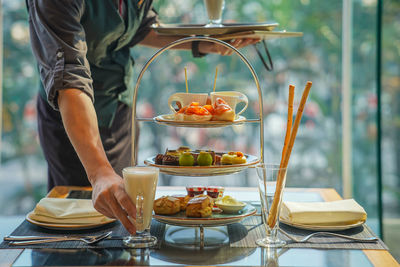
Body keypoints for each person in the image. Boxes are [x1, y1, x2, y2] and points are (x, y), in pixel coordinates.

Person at [27, 0, 260, 234]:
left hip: (119, 109)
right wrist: (99, 172)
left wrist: (207, 41)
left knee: (120, 218)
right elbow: (69, 76)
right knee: (78, 223)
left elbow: (141, 28)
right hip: (72, 118)